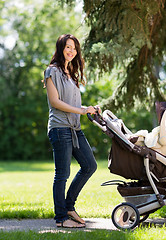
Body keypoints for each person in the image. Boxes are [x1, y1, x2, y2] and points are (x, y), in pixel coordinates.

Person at [43, 34, 100, 228]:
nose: (71, 51)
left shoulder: (71, 73)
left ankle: (69, 207)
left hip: (75, 129)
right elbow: (55, 102)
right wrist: (82, 111)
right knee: (62, 174)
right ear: (61, 48)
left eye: (74, 48)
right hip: (60, 129)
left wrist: (88, 109)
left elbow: (74, 102)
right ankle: (61, 218)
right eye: (67, 47)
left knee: (90, 166)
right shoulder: (52, 71)